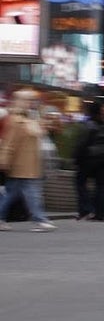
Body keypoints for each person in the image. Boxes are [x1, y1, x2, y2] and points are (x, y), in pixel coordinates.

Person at [0, 89, 57, 231]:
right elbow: (9, 143)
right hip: (20, 165)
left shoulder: (30, 120)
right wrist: (4, 160)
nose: (31, 103)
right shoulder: (16, 121)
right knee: (31, 193)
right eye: (28, 100)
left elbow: (41, 132)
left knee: (11, 194)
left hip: (28, 165)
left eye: (32, 100)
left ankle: (2, 218)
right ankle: (40, 220)